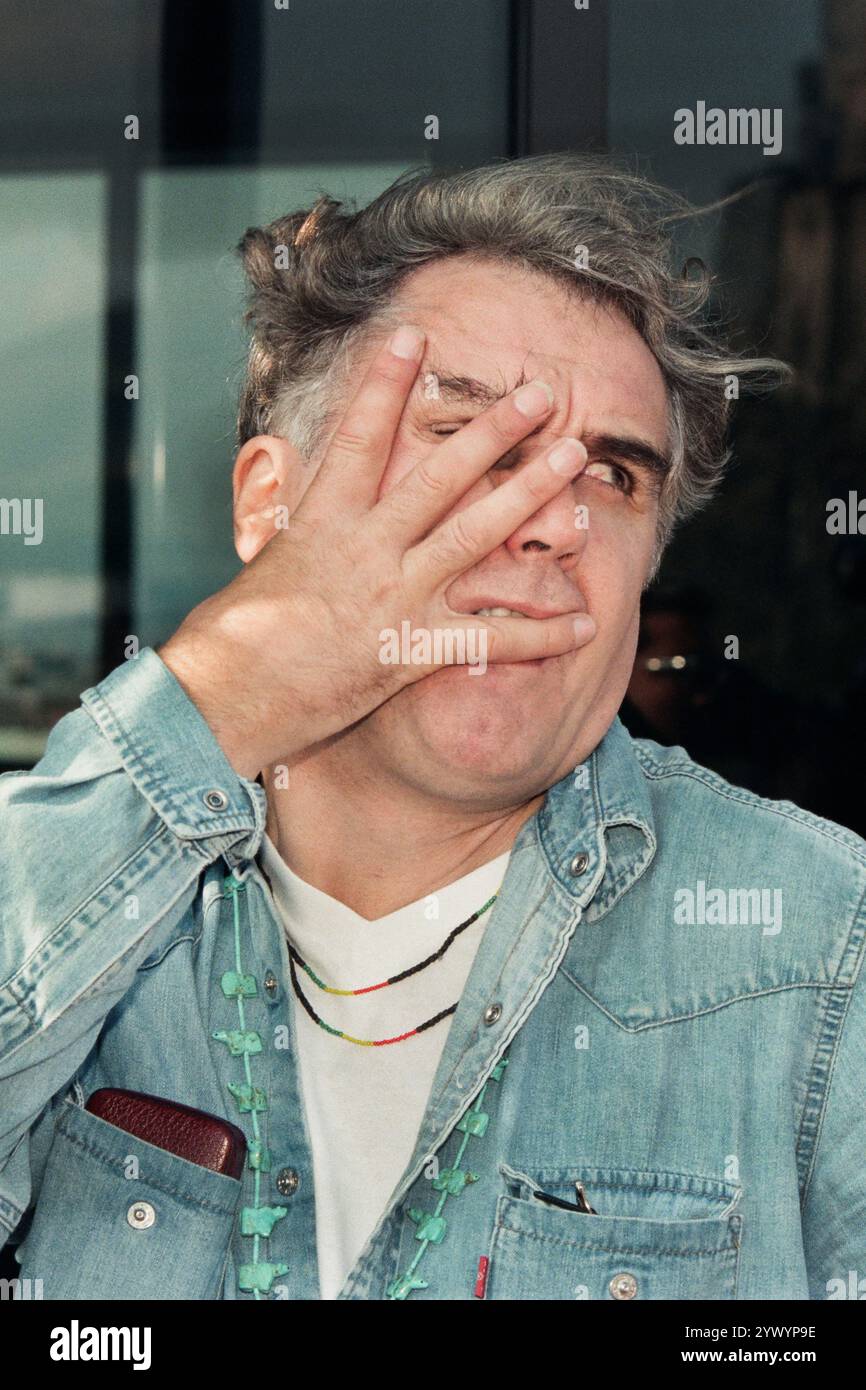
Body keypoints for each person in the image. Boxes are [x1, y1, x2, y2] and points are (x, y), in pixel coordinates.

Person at [1, 155, 863, 1302]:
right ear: (269, 500)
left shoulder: (821, 955)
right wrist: (228, 685)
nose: (548, 520)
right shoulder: (73, 896)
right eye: (464, 436)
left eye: (608, 473)